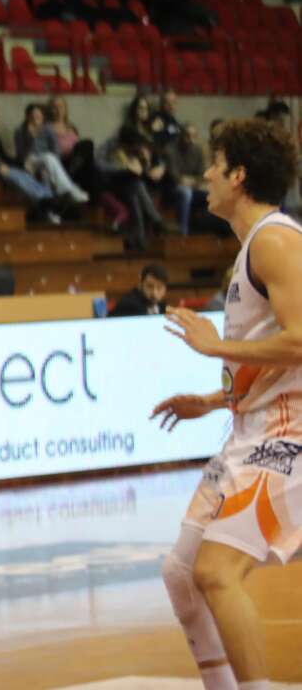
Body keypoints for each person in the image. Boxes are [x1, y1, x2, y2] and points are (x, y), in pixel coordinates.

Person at [151, 118, 302, 690]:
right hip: (249, 431)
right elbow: (273, 360)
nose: (205, 175)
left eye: (214, 165)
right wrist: (217, 399)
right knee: (182, 574)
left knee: (216, 572)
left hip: (286, 439)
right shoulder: (251, 247)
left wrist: (217, 346)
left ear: (238, 176)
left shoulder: (276, 240)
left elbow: (301, 338)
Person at [0, 105, 57, 214]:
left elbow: (3, 156)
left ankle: (46, 195)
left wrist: (22, 164)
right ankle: (40, 197)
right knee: (10, 173)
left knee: (21, 172)